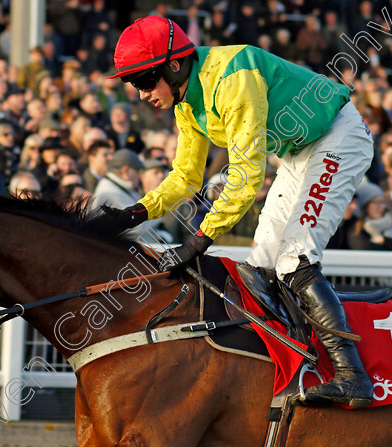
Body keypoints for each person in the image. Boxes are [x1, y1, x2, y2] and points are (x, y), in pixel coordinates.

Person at [102, 17, 375, 407]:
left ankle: (353, 377)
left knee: (295, 258)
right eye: (134, 84)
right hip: (299, 151)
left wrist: (201, 238)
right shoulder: (185, 100)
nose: (141, 93)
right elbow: (185, 176)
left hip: (339, 137)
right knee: (258, 267)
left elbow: (247, 175)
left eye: (144, 81)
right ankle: (295, 361)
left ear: (174, 66)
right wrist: (135, 213)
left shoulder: (234, 75)